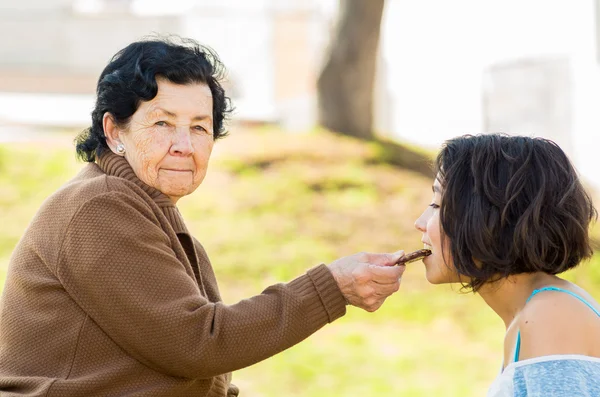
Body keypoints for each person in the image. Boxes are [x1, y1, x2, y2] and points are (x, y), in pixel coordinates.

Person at [0, 36, 406, 396]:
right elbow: (198, 343)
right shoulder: (99, 207)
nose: (183, 145)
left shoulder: (141, 203)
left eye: (199, 127)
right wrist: (331, 288)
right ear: (113, 131)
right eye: (162, 123)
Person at [414, 133, 600, 396]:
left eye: (436, 204)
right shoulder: (535, 313)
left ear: (488, 217)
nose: (420, 222)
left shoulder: (549, 315)